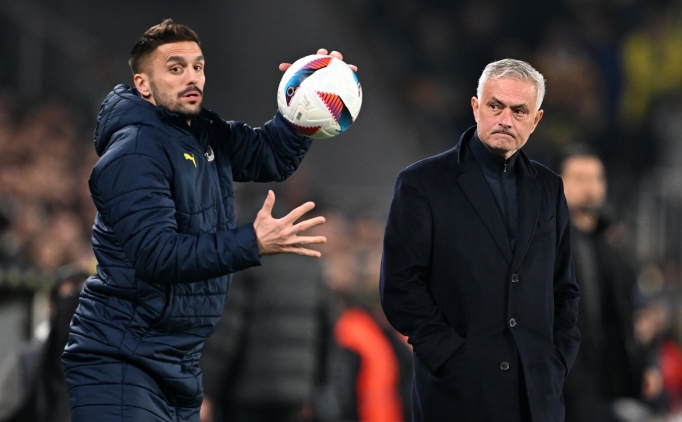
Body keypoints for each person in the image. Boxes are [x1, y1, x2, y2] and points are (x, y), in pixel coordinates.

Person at [61, 19, 348, 421]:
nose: (192, 77)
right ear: (143, 84)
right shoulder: (135, 151)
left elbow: (271, 156)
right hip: (122, 360)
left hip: (176, 361)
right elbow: (157, 255)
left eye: (197, 66)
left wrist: (307, 95)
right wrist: (251, 243)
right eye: (175, 68)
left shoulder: (204, 135)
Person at [380, 59, 580, 422]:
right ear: (476, 107)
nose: (505, 119)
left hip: (537, 399)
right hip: (455, 397)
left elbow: (564, 287)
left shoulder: (549, 188)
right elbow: (400, 287)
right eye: (495, 106)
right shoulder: (422, 183)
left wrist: (557, 360)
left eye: (519, 111)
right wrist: (449, 355)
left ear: (536, 120)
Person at [558, 146, 652, 421]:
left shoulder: (612, 243)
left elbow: (626, 310)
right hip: (562, 376)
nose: (589, 186)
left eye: (595, 178)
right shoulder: (544, 239)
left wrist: (641, 365)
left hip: (605, 377)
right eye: (579, 178)